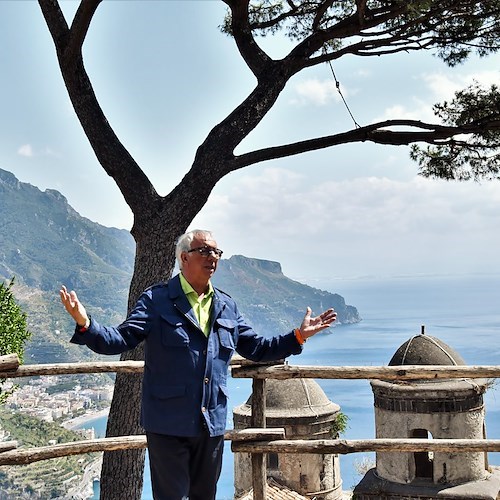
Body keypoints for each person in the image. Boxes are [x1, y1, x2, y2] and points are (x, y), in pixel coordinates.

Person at [60, 229, 337, 500]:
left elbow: (256, 347)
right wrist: (86, 324)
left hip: (211, 424)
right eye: (204, 250)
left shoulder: (226, 305)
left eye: (216, 251)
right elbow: (119, 338)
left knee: (205, 495)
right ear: (184, 258)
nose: (212, 257)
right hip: (168, 425)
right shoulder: (157, 300)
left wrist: (298, 336)